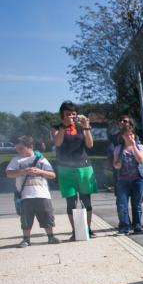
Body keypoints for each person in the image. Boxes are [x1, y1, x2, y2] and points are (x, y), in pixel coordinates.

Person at [52, 101, 97, 240]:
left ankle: (87, 229)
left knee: (86, 201)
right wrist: (63, 127)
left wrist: (86, 126)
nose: (71, 116)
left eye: (73, 113)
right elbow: (57, 142)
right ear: (62, 116)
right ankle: (75, 231)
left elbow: (90, 145)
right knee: (71, 202)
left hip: (84, 168)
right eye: (68, 114)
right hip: (65, 168)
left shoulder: (81, 127)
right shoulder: (57, 127)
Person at [6, 135, 60, 247]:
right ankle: (26, 239)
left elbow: (52, 175)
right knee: (26, 219)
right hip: (25, 195)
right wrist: (23, 171)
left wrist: (40, 171)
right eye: (17, 149)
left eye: (21, 148)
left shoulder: (41, 160)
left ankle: (51, 237)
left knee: (47, 215)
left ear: (30, 147)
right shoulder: (16, 160)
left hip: (42, 194)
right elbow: (9, 173)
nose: (18, 151)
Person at [112, 116, 143, 234]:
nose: (130, 137)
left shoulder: (140, 146)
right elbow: (115, 165)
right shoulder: (118, 149)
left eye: (131, 135)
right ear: (122, 136)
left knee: (137, 205)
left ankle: (137, 225)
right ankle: (124, 226)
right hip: (123, 181)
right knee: (122, 205)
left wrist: (133, 146)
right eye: (127, 135)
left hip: (138, 180)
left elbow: (141, 160)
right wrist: (119, 162)